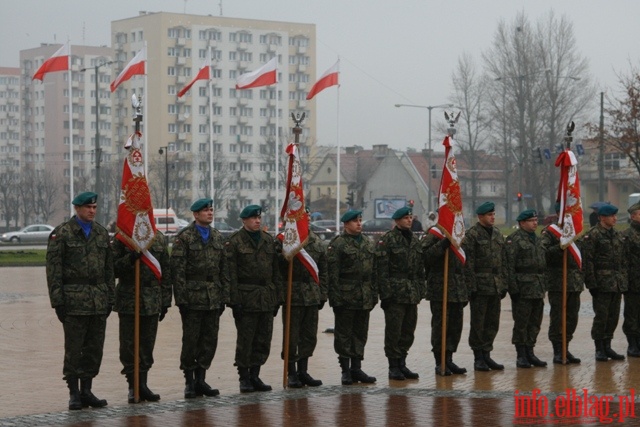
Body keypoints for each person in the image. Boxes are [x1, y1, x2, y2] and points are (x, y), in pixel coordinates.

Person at [45, 191, 114, 410]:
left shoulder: (102, 233)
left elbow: (109, 270)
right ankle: (74, 393)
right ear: (77, 209)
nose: (92, 211)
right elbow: (54, 271)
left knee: (94, 349)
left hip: (98, 300)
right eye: (88, 207)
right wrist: (58, 302)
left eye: (94, 207)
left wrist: (109, 298)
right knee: (74, 349)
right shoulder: (62, 234)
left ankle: (87, 391)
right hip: (73, 301)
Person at [171, 198, 228, 398]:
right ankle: (189, 381)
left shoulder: (218, 237)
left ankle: (201, 379)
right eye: (206, 211)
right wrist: (181, 300)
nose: (210, 213)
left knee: (208, 340)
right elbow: (177, 272)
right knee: (191, 340)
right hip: (193, 297)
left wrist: (223, 298)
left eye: (211, 210)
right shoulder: (185, 238)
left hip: (213, 296)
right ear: (196, 215)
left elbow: (224, 270)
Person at [112, 229, 172, 403]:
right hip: (129, 298)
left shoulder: (158, 238)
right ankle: (133, 386)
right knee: (129, 345)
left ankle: (143, 384)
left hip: (152, 299)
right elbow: (112, 269)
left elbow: (166, 271)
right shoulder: (123, 237)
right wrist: (130, 259)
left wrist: (166, 301)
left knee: (147, 344)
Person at [225, 204, 280, 393]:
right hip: (246, 297)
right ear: (244, 220)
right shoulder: (235, 241)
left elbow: (276, 272)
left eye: (259, 218)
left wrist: (276, 298)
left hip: (266, 296)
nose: (258, 221)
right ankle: (244, 377)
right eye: (253, 218)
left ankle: (256, 375)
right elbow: (230, 274)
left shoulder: (268, 240)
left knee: (263, 339)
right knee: (246, 340)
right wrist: (234, 301)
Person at [276, 209, 328, 388]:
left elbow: (324, 271)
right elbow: (278, 269)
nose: (304, 219)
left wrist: (322, 294)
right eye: (299, 217)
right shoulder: (285, 241)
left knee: (308, 336)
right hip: (293, 295)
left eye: (306, 216)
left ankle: (303, 371)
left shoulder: (316, 242)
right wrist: (288, 249)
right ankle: (291, 372)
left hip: (312, 295)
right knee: (291, 336)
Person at [328, 209, 378, 385]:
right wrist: (335, 298)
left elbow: (374, 271)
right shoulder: (338, 244)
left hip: (364, 295)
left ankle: (357, 369)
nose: (359, 224)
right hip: (346, 295)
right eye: (355, 221)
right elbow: (332, 274)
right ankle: (345, 370)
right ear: (346, 224)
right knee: (344, 334)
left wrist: (374, 293)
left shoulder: (368, 242)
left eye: (360, 220)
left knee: (360, 333)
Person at [376, 206, 425, 380]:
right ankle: (393, 366)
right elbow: (382, 270)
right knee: (394, 332)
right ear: (397, 221)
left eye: (411, 217)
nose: (409, 220)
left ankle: (402, 363)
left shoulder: (415, 240)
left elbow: (420, 269)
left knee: (408, 331)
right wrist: (386, 294)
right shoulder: (388, 240)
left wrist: (420, 290)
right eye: (405, 218)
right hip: (395, 294)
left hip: (411, 293)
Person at [461, 202, 508, 371]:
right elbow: (468, 264)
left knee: (492, 322)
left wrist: (503, 284)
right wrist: (471, 286)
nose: (493, 217)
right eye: (489, 215)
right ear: (480, 217)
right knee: (478, 323)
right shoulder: (472, 235)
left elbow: (504, 261)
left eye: (494, 214)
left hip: (495, 285)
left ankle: (487, 354)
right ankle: (478, 357)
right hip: (480, 286)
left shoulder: (497, 233)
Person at [422, 221, 469, 376]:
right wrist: (443, 244)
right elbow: (426, 257)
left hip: (457, 288)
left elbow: (465, 262)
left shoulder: (459, 234)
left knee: (455, 327)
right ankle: (439, 361)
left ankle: (449, 359)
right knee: (441, 326)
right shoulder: (434, 234)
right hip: (440, 288)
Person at [583, 204, 628, 361]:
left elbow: (623, 260)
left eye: (616, 215)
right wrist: (592, 284)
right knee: (601, 316)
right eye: (611, 216)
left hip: (616, 282)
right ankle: (599, 348)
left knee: (613, 316)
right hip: (601, 283)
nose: (615, 218)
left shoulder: (617, 235)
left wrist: (623, 279)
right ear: (602, 218)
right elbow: (588, 261)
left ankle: (608, 346)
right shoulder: (593, 235)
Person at [539, 203, 583, 364]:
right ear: (560, 212)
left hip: (575, 282)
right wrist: (560, 245)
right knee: (558, 317)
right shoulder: (550, 232)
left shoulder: (576, 230)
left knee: (572, 317)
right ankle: (558, 350)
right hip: (558, 282)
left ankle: (566, 346)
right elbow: (542, 253)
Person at [505, 209, 547, 369]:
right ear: (522, 223)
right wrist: (513, 289)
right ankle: (521, 354)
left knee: (535, 322)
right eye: (531, 220)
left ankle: (530, 351)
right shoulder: (514, 240)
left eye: (536, 220)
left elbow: (543, 264)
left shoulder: (537, 239)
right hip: (522, 288)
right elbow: (509, 266)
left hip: (537, 287)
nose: (535, 223)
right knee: (522, 322)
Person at [622, 202, 640, 357]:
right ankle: (632, 344)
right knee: (632, 314)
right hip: (633, 282)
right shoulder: (627, 235)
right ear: (633, 216)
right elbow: (623, 260)